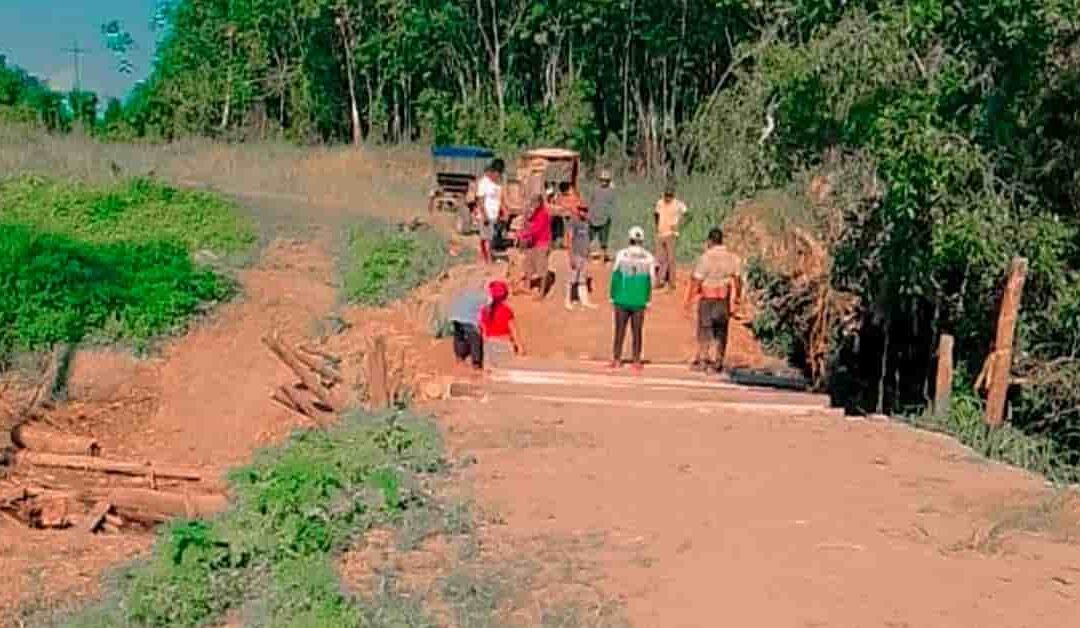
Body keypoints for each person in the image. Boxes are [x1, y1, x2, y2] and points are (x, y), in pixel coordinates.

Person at [685, 227, 743, 374]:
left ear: (710, 241)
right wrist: (737, 297)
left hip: (707, 298)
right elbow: (737, 279)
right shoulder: (732, 258)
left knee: (705, 329)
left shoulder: (705, 258)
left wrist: (690, 299)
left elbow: (697, 280)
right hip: (723, 299)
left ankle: (704, 359)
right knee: (721, 331)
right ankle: (718, 361)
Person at [609, 226, 656, 372]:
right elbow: (651, 280)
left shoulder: (621, 254)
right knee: (637, 331)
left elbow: (615, 275)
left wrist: (612, 295)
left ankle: (617, 359)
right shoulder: (649, 257)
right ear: (642, 240)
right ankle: (636, 360)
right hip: (639, 300)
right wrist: (648, 299)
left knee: (619, 330)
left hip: (622, 298)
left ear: (629, 239)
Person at [480, 279, 525, 368]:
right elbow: (514, 331)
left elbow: (483, 330)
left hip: (490, 344)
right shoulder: (506, 311)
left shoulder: (485, 310)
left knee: (491, 374)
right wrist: (520, 347)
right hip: (504, 344)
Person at [653, 184, 688, 290]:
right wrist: (657, 227)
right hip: (661, 233)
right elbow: (656, 215)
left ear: (673, 195)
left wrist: (679, 225)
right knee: (660, 259)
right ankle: (659, 281)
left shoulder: (678, 204)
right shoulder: (659, 203)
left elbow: (688, 214)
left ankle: (672, 283)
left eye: (669, 195)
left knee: (671, 259)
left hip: (671, 234)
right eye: (666, 195)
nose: (667, 197)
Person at [519, 193, 553, 299]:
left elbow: (536, 230)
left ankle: (541, 292)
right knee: (528, 265)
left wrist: (522, 235)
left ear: (539, 202)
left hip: (542, 243)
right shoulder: (534, 213)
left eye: (534, 202)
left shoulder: (543, 214)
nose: (532, 204)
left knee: (541, 269)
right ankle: (527, 287)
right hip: (533, 243)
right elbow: (528, 224)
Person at [564, 203, 597, 311]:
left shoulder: (587, 223)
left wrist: (589, 253)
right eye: (581, 210)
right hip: (576, 254)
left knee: (582, 279)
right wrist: (571, 256)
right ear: (578, 210)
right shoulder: (573, 222)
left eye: (585, 210)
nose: (583, 212)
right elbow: (569, 239)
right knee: (572, 279)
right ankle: (567, 301)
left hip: (584, 255)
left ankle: (585, 301)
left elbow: (588, 238)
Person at [447, 281, 487, 370]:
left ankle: (460, 358)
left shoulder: (465, 293)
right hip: (468, 319)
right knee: (475, 340)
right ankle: (476, 364)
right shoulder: (484, 298)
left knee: (459, 337)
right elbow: (483, 313)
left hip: (455, 317)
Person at [475, 159, 505, 264]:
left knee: (487, 237)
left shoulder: (498, 184)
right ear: (493, 171)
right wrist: (485, 216)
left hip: (493, 215)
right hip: (486, 215)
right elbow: (480, 201)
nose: (499, 175)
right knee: (487, 238)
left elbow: (499, 199)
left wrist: (502, 212)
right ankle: (488, 260)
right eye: (498, 173)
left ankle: (485, 257)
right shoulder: (484, 183)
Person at [587, 169, 616, 262]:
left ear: (608, 181)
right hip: (594, 216)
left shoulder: (610, 191)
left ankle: (603, 257)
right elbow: (591, 202)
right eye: (602, 180)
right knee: (588, 238)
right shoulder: (596, 190)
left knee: (603, 240)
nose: (603, 182)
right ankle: (586, 254)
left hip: (603, 217)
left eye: (606, 180)